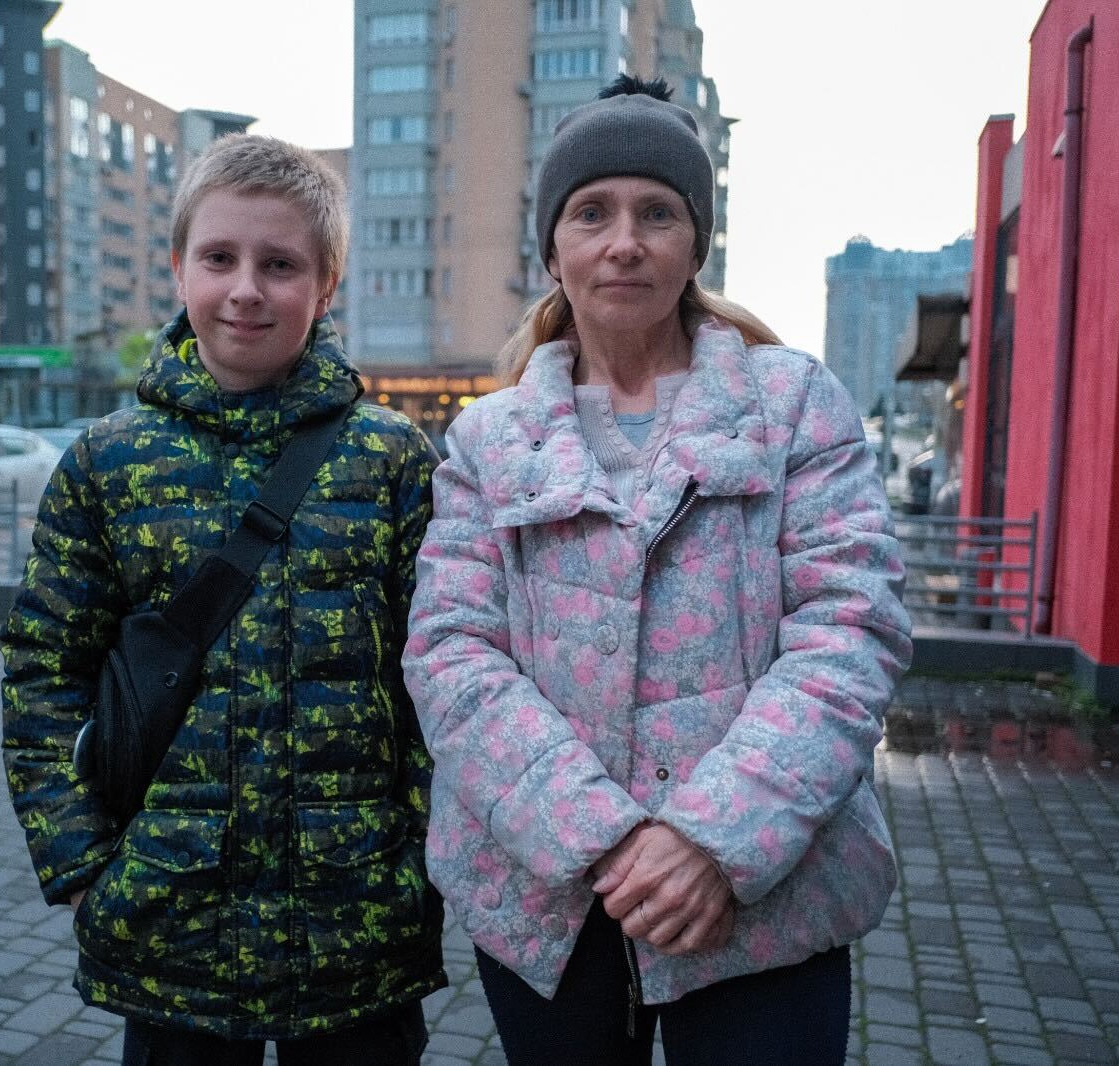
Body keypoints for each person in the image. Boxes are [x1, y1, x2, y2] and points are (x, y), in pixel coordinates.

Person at [402, 75, 912, 1066]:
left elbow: (850, 630)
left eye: (656, 213)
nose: (622, 241)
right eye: (590, 213)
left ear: (695, 242)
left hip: (763, 897)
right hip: (551, 899)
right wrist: (607, 839)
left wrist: (711, 840)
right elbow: (451, 654)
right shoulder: (488, 439)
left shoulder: (792, 403)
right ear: (551, 248)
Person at [0, 134, 444, 1066]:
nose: (246, 288)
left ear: (326, 288)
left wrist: (421, 858)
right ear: (178, 270)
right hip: (171, 933)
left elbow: (441, 678)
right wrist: (84, 867)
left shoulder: (393, 461)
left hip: (357, 929)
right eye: (220, 258)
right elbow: (44, 671)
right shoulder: (105, 463)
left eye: (280, 265)